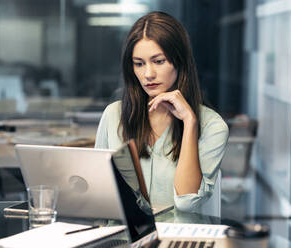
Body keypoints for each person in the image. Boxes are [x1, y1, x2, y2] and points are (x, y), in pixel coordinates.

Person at [95, 11, 229, 213]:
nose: (148, 74)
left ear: (179, 61)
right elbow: (96, 192)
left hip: (176, 240)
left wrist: (189, 122)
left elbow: (186, 202)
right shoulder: (113, 115)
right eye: (139, 64)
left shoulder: (213, 126)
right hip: (122, 239)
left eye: (159, 61)